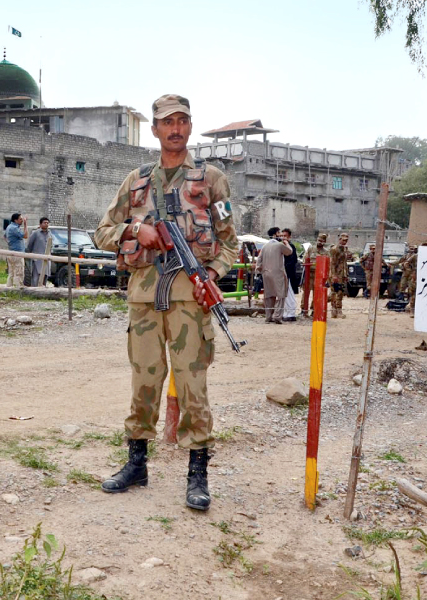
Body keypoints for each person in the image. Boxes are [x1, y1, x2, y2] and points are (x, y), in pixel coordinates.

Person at [93, 94, 238, 511]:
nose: (175, 128)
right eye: (166, 122)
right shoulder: (135, 181)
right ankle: (137, 462)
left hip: (190, 302)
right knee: (144, 381)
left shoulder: (211, 180)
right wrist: (136, 229)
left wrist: (210, 276)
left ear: (190, 127)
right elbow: (103, 231)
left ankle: (198, 473)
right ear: (155, 130)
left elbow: (228, 242)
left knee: (193, 385)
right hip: (143, 301)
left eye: (182, 121)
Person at [256, 227, 292, 324]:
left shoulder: (265, 246)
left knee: (269, 295)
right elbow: (289, 252)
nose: (280, 235)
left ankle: (268, 317)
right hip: (278, 273)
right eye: (279, 233)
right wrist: (287, 243)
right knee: (281, 295)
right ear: (275, 234)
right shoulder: (279, 245)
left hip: (266, 273)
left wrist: (259, 271)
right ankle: (277, 316)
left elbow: (259, 261)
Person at [306, 233, 329, 310]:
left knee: (317, 293)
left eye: (322, 241)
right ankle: (304, 309)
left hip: (318, 274)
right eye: (319, 240)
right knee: (306, 292)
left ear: (324, 242)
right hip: (309, 274)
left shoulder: (326, 252)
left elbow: (327, 263)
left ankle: (314, 309)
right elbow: (305, 259)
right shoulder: (311, 249)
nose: (320, 242)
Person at [26, 217, 52, 287]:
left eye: (47, 223)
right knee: (36, 277)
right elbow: (29, 245)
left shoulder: (49, 233)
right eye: (44, 223)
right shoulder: (36, 233)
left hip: (46, 258)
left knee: (45, 275)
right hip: (37, 259)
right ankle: (34, 291)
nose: (46, 224)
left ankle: (42, 291)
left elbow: (51, 245)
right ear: (40, 224)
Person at [329, 232, 350, 318]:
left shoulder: (344, 249)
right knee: (335, 292)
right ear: (340, 239)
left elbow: (344, 263)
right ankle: (335, 310)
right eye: (343, 240)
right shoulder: (335, 249)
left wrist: (346, 274)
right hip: (336, 274)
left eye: (346, 240)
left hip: (342, 274)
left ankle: (338, 310)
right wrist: (334, 275)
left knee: (341, 292)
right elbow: (332, 263)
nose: (344, 242)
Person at [4, 213, 28, 288]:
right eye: (20, 219)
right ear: (15, 220)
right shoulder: (14, 228)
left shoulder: (9, 227)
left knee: (11, 273)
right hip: (17, 253)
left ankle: (9, 287)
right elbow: (25, 235)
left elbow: (4, 236)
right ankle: (18, 288)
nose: (21, 220)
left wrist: (10, 243)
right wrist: (25, 224)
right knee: (19, 272)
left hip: (11, 252)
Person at [281, 228, 299, 321]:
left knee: (289, 294)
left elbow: (293, 260)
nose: (283, 238)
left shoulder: (291, 247)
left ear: (289, 237)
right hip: (283, 273)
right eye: (282, 236)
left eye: (285, 236)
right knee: (284, 294)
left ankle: (291, 313)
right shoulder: (281, 246)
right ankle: (286, 313)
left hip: (289, 273)